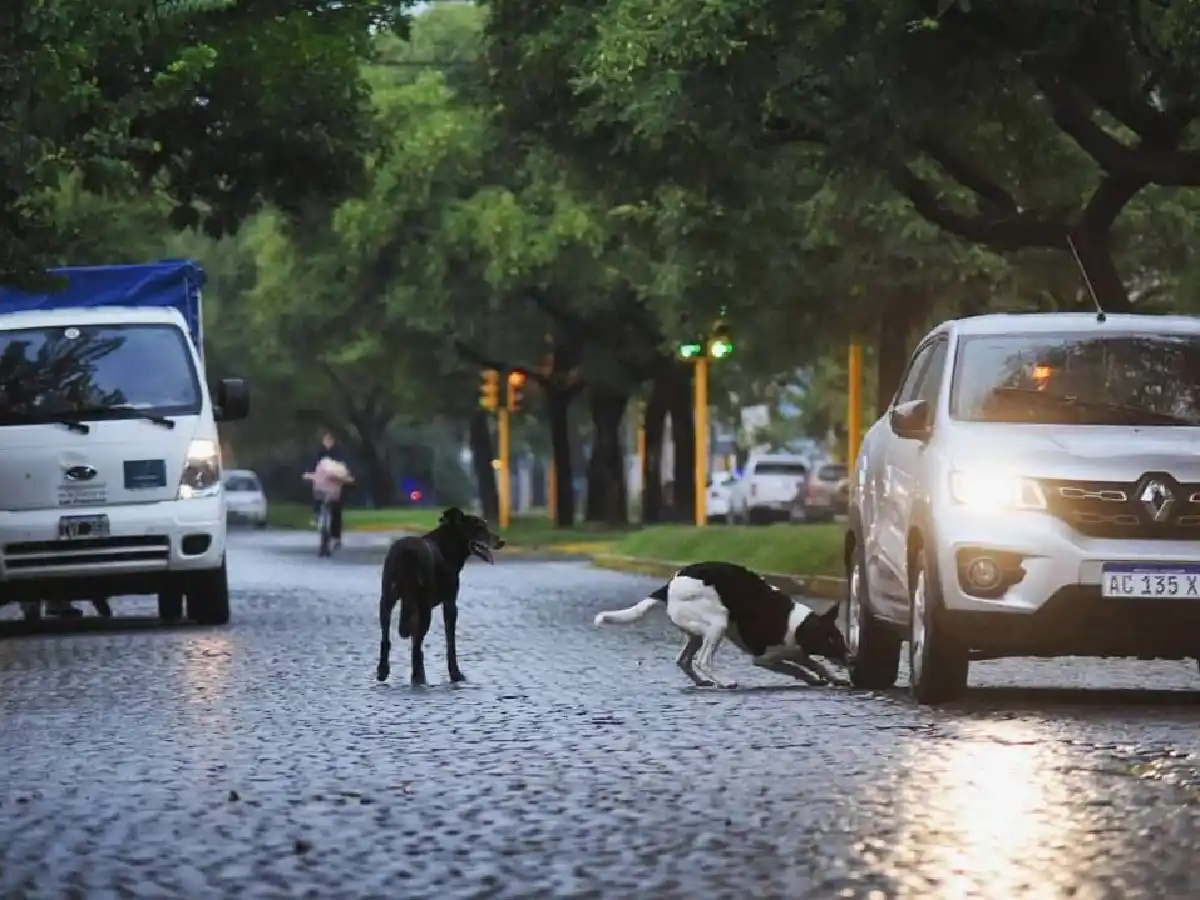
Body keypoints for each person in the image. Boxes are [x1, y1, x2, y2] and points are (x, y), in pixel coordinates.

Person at [305, 430, 352, 549]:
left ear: (334, 441)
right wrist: (308, 474)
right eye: (325, 439)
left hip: (335, 484)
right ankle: (317, 514)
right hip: (322, 484)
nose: (327, 442)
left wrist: (345, 477)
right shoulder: (319, 453)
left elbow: (345, 468)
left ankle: (336, 536)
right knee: (317, 494)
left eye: (330, 439)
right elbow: (312, 466)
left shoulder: (339, 453)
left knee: (336, 509)